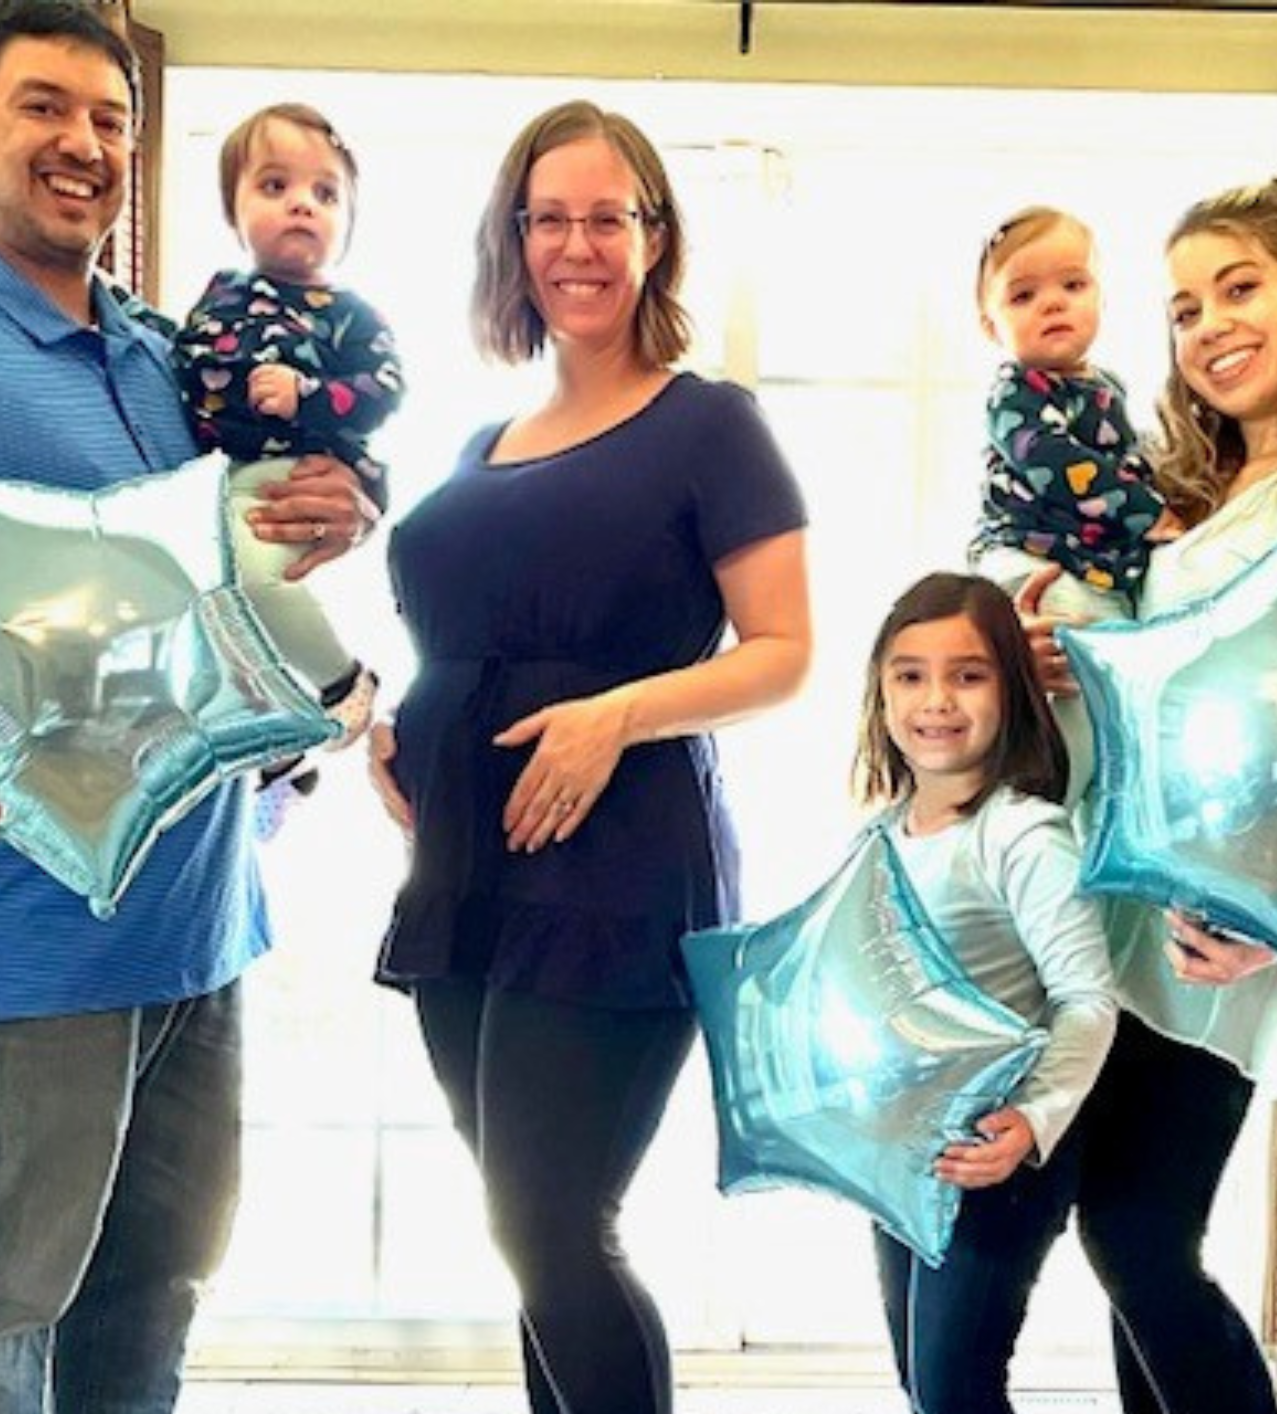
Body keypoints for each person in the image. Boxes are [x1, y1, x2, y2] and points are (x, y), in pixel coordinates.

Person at [0, 4, 373, 1410]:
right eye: (46, 107)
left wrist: (332, 509)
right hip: (28, 935)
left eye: (112, 119)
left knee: (155, 1287)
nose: (85, 144)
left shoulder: (166, 354)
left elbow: (233, 557)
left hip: (201, 916)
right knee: (5, 1297)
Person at [366, 100, 811, 1414]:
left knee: (558, 1224)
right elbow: (465, 643)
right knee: (524, 1233)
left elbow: (781, 650)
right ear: (514, 241)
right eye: (549, 217)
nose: (577, 244)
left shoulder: (708, 423)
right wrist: (406, 741)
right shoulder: (476, 444)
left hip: (615, 863)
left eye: (606, 216)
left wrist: (613, 713)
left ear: (654, 237)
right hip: (468, 868)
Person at [1019, 169, 1277, 1414]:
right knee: (1124, 1230)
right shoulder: (1182, 493)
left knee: (1136, 1230)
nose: (1208, 325)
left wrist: (1267, 901)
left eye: (1240, 287)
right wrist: (1058, 651)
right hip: (1121, 883)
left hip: (1220, 909)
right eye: (1184, 306)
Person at [853, 572, 1118, 1414]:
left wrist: (1032, 1122)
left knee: (955, 1390)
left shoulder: (1022, 834)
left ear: (1011, 689)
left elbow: (1086, 997)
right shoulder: (878, 835)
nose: (936, 700)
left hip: (993, 1154)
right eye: (909, 675)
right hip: (905, 1151)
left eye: (967, 675)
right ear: (881, 692)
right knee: (925, 1382)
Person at [173, 101, 403, 741]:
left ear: (349, 222)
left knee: (254, 584)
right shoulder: (220, 292)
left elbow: (385, 390)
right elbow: (186, 362)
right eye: (275, 186)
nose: (302, 203)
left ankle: (342, 682)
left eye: (325, 193)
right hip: (224, 477)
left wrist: (308, 394)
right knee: (211, 600)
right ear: (233, 208)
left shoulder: (347, 313)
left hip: (299, 473)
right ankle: (269, 730)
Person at [968, 206, 1178, 625]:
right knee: (1076, 659)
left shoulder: (1107, 386)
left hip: (1086, 560)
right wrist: (1149, 513)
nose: (1053, 302)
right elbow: (1053, 460)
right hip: (1029, 555)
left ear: (1102, 298)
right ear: (991, 326)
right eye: (1023, 295)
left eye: (1073, 284)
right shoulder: (1016, 390)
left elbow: (1122, 455)